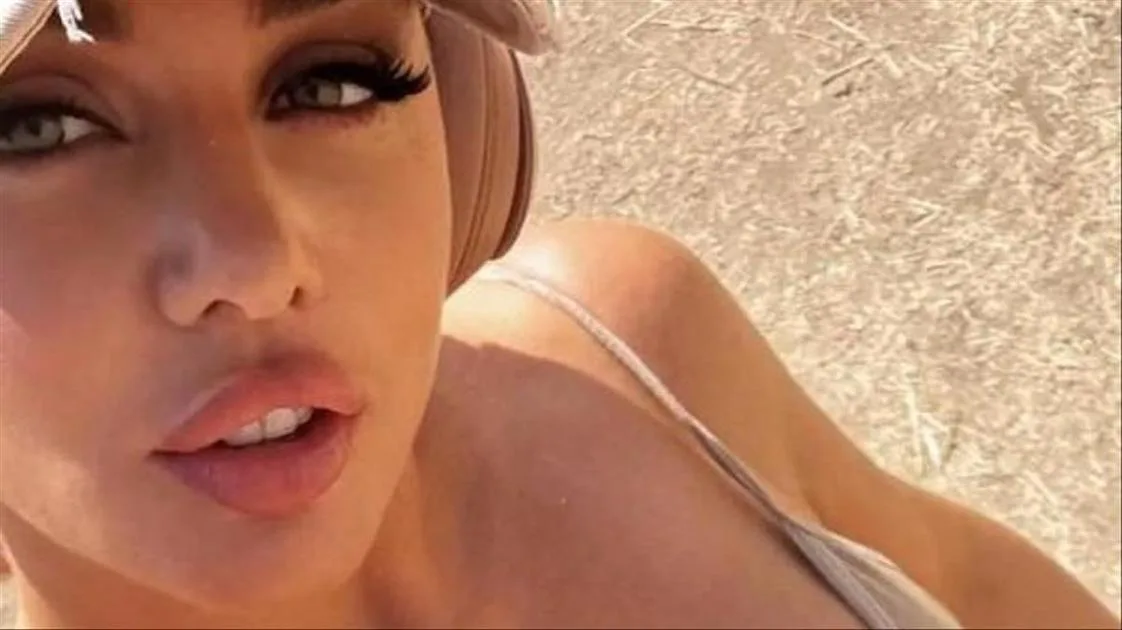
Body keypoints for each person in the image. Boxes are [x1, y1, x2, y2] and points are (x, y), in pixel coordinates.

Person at [0, 0, 1116, 628]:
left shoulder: (633, 351)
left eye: (330, 81)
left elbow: (983, 596)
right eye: (37, 128)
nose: (254, 262)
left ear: (466, 118)